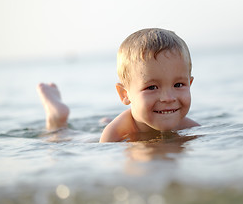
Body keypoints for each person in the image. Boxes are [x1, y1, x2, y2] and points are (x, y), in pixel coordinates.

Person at [37, 28, 199, 142]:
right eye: (152, 87)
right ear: (124, 94)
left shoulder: (191, 128)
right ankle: (57, 118)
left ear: (190, 84)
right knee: (59, 138)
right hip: (87, 138)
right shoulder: (115, 133)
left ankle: (105, 120)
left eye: (178, 84)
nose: (168, 98)